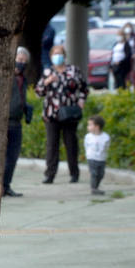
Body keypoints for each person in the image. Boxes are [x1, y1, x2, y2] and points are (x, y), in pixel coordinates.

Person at [34, 44, 87, 185]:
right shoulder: (47, 72)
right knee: (52, 145)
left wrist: (81, 101)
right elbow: (38, 92)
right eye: (55, 54)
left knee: (71, 143)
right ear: (51, 56)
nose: (58, 56)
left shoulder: (73, 70)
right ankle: (50, 174)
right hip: (52, 114)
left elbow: (83, 88)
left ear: (64, 55)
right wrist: (47, 81)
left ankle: (74, 173)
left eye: (60, 53)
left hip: (69, 112)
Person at [3, 47, 34, 198]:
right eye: (19, 59)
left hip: (17, 121)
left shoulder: (23, 78)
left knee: (12, 157)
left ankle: (6, 185)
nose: (20, 63)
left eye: (23, 61)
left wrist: (26, 108)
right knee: (1, 157)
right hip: (3, 122)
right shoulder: (5, 76)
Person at [84, 115, 109, 196]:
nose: (88, 127)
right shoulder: (88, 137)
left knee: (101, 174)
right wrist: (88, 154)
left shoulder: (105, 137)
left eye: (90, 125)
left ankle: (96, 187)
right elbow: (86, 145)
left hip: (101, 159)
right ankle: (93, 188)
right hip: (91, 158)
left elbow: (106, 147)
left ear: (97, 126)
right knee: (94, 173)